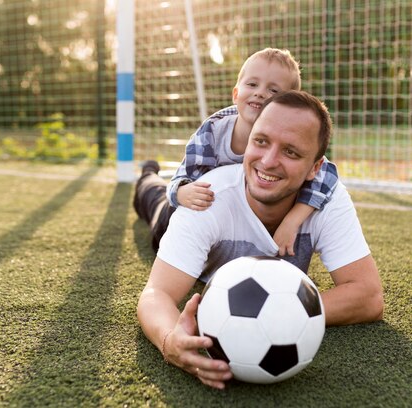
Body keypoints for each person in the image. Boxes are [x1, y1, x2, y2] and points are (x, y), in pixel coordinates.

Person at [136, 90, 384, 390]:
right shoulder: (207, 198)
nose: (267, 161)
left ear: (315, 169)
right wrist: (168, 340)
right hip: (171, 217)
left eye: (291, 152)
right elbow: (156, 294)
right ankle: (147, 175)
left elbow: (369, 297)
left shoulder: (327, 202)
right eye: (261, 141)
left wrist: (283, 313)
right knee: (153, 199)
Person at [135, 48, 339, 255]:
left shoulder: (294, 143)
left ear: (287, 106)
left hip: (230, 229)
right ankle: (148, 174)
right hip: (180, 217)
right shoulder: (213, 132)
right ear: (235, 94)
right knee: (154, 199)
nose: (260, 92)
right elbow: (184, 176)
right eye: (252, 84)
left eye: (274, 91)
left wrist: (292, 220)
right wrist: (180, 192)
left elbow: (327, 175)